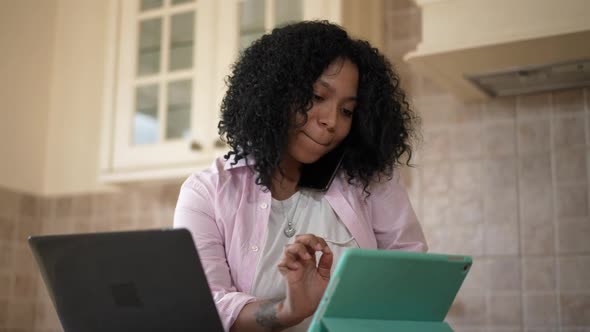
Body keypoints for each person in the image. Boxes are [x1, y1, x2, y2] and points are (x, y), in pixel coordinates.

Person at [173, 20, 427, 332]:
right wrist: (288, 310)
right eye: (318, 97)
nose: (332, 121)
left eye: (347, 110)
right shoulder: (207, 192)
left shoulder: (371, 179)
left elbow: (412, 277)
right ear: (275, 93)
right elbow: (207, 306)